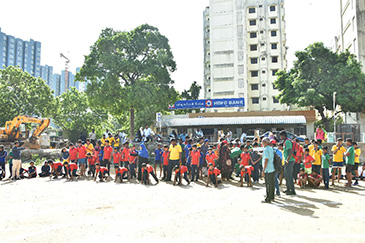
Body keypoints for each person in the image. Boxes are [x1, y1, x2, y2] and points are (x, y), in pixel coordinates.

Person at [280, 131, 296, 196]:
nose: (280, 137)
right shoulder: (285, 142)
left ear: (284, 136)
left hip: (289, 161)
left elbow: (290, 151)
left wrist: (287, 160)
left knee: (289, 176)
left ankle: (292, 190)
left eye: (281, 136)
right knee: (286, 175)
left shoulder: (287, 142)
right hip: (286, 161)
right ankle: (288, 188)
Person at [261, 138, 275, 203]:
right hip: (272, 167)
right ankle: (272, 196)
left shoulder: (266, 149)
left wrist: (263, 170)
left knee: (268, 184)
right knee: (272, 183)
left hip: (267, 169)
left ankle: (268, 198)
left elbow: (266, 160)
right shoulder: (271, 148)